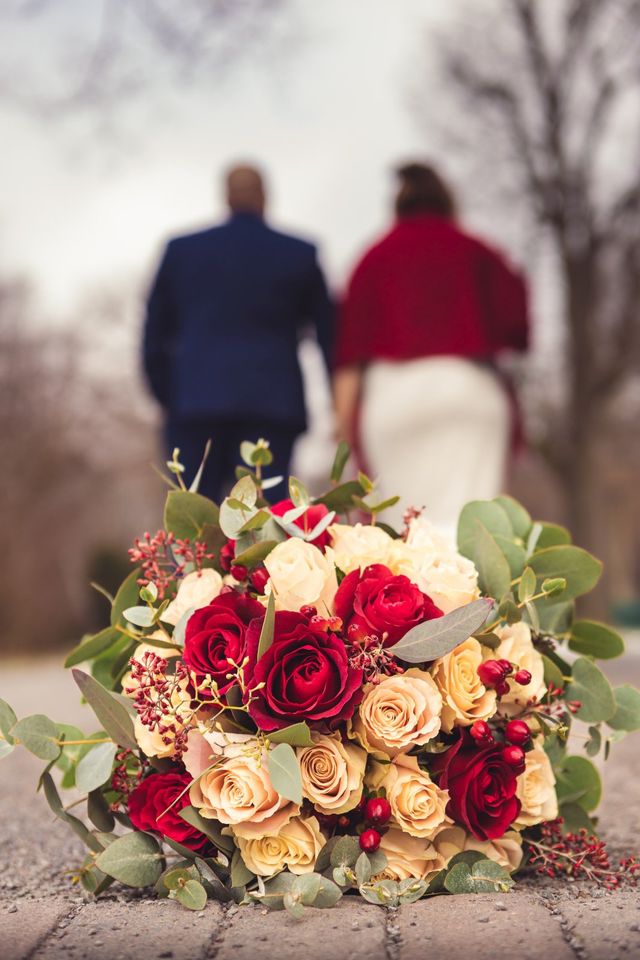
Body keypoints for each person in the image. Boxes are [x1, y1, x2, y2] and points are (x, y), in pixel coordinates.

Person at [334, 162, 529, 534]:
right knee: (477, 535)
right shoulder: (478, 251)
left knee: (400, 536)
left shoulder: (372, 259)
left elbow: (349, 358)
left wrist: (343, 425)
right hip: (469, 391)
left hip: (395, 398)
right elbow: (518, 327)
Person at [143, 164, 334, 502]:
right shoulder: (299, 253)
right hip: (272, 408)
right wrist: (338, 402)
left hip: (194, 406)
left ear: (226, 197)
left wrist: (171, 396)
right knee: (270, 528)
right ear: (265, 196)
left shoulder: (181, 251)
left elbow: (153, 337)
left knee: (194, 532)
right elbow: (328, 336)